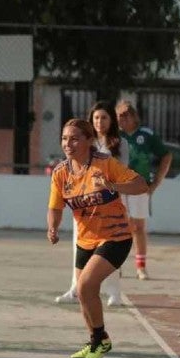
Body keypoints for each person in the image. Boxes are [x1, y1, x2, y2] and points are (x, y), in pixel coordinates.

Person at [47, 119, 147, 358]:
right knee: (84, 295)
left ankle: (102, 339)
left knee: (85, 286)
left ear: (88, 140)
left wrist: (113, 185)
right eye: (64, 139)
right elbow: (55, 206)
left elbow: (141, 184)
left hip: (116, 236)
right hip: (85, 239)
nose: (67, 144)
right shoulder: (61, 173)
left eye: (74, 138)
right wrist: (53, 226)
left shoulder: (104, 164)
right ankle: (94, 340)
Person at [56, 102, 129, 306]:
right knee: (79, 248)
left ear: (111, 120)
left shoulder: (119, 144)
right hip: (84, 207)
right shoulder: (83, 142)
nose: (99, 122)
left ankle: (114, 293)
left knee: (109, 250)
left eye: (104, 117)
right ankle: (75, 288)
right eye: (96, 118)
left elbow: (124, 174)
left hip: (110, 207)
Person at [115, 100, 171, 281]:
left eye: (125, 115)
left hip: (139, 186)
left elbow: (166, 155)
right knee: (119, 226)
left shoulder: (146, 135)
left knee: (138, 227)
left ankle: (141, 267)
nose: (122, 119)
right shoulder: (115, 136)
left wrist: (155, 183)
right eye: (119, 116)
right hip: (118, 186)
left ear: (133, 116)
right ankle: (116, 265)